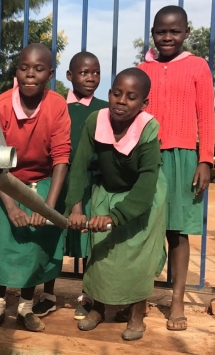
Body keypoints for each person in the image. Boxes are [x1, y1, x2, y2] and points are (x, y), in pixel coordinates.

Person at [66, 67, 167, 341]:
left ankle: (136, 314)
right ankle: (98, 308)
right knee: (100, 253)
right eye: (117, 93)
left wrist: (115, 216)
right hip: (107, 191)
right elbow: (79, 166)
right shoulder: (94, 121)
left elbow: (147, 181)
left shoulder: (148, 127)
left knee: (137, 255)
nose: (121, 101)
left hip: (142, 196)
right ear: (109, 94)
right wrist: (76, 207)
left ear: (143, 103)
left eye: (131, 97)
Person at [0, 43, 70, 332]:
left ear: (50, 74)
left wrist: (46, 206)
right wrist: (11, 205)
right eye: (24, 68)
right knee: (3, 243)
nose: (30, 74)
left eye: (39, 69)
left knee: (35, 243)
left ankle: (25, 308)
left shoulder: (57, 106)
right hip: (3, 180)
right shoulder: (0, 106)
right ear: (16, 71)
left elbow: (60, 159)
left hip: (41, 180)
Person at [136, 5, 215, 331]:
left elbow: (206, 116)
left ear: (185, 33)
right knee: (144, 226)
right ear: (153, 33)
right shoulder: (143, 68)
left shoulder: (198, 66)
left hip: (183, 156)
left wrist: (205, 160)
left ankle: (178, 298)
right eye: (160, 31)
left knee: (177, 231)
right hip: (148, 155)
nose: (167, 37)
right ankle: (138, 296)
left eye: (174, 31)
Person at [31, 51, 108, 320]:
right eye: (84, 72)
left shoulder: (104, 108)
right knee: (53, 237)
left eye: (96, 72)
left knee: (88, 238)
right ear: (69, 76)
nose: (91, 78)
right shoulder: (56, 104)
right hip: (59, 181)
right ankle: (48, 294)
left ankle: (87, 294)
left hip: (89, 184)